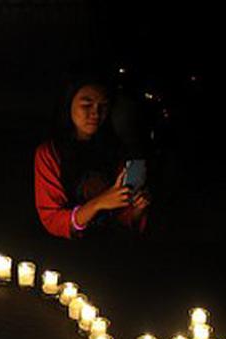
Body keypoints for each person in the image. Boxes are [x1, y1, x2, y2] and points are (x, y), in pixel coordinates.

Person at [34, 74, 151, 239]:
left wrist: (138, 208)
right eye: (86, 104)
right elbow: (52, 219)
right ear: (69, 105)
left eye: (103, 106)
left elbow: (122, 217)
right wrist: (98, 203)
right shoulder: (50, 153)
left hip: (110, 248)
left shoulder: (115, 150)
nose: (96, 113)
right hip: (63, 250)